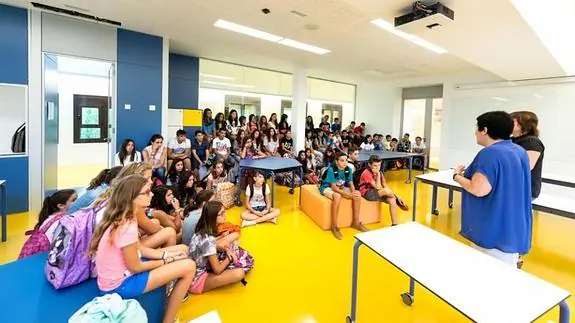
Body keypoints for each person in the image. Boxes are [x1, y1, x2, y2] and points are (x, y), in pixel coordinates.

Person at [89, 175, 195, 323]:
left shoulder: (127, 217)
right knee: (189, 266)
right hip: (120, 285)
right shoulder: (126, 225)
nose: (151, 194)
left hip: (121, 276)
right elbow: (136, 267)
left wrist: (164, 255)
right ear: (132, 198)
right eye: (146, 192)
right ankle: (168, 320)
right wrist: (167, 261)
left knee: (183, 249)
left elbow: (139, 248)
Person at [453, 111, 532, 267]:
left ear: (485, 130)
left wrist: (456, 176)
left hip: (492, 227)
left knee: (489, 273)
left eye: (477, 128)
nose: (475, 133)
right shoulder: (518, 151)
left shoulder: (489, 154)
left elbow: (478, 189)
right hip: (512, 225)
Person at [188, 200, 246, 294]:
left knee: (227, 245)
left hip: (194, 271)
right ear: (213, 217)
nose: (225, 215)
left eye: (224, 212)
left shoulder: (201, 230)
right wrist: (230, 257)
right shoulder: (209, 239)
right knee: (239, 273)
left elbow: (208, 247)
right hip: (197, 280)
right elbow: (217, 270)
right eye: (221, 214)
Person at [320, 151, 368, 240]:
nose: (345, 162)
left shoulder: (348, 169)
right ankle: (334, 226)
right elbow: (334, 188)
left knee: (357, 194)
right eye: (342, 160)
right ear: (336, 162)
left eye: (346, 160)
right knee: (337, 196)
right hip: (327, 188)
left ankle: (356, 223)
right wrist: (347, 194)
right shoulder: (331, 170)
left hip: (340, 187)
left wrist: (353, 193)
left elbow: (351, 183)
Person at [19, 189, 77, 258]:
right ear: (61, 206)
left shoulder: (50, 217)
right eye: (74, 200)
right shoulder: (62, 221)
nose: (78, 202)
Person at [358, 155, 408, 226]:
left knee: (392, 200)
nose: (378, 167)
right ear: (369, 164)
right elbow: (378, 187)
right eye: (375, 165)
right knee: (386, 191)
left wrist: (394, 195)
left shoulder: (380, 173)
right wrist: (378, 175)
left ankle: (395, 224)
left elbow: (385, 186)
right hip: (367, 193)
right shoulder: (366, 173)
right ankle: (398, 200)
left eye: (379, 165)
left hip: (378, 193)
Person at [510, 111, 545, 199]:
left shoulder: (532, 142)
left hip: (524, 191)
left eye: (512, 121)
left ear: (522, 125)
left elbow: (526, 166)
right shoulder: (512, 140)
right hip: (512, 188)